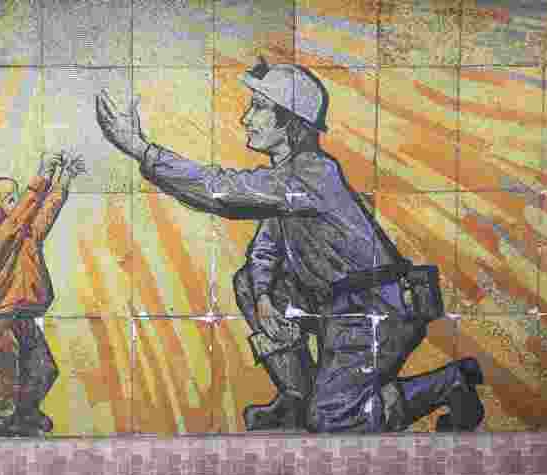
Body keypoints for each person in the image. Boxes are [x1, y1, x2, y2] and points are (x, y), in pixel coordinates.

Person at [95, 58, 484, 433]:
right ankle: (298, 395)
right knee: (250, 280)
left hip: (374, 310)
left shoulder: (314, 173)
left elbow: (222, 191)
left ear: (291, 123)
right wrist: (264, 295)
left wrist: (143, 150)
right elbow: (265, 249)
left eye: (260, 107)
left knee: (333, 420)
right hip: (334, 308)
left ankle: (449, 383)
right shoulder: (286, 180)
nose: (246, 117)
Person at [0, 151, 85, 436]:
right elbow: (18, 220)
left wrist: (63, 179)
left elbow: (44, 215)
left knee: (43, 369)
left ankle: (26, 413)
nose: (18, 205)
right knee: (4, 381)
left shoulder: (26, 239)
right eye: (10, 199)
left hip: (23, 317)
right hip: (0, 321)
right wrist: (41, 176)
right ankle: (3, 425)